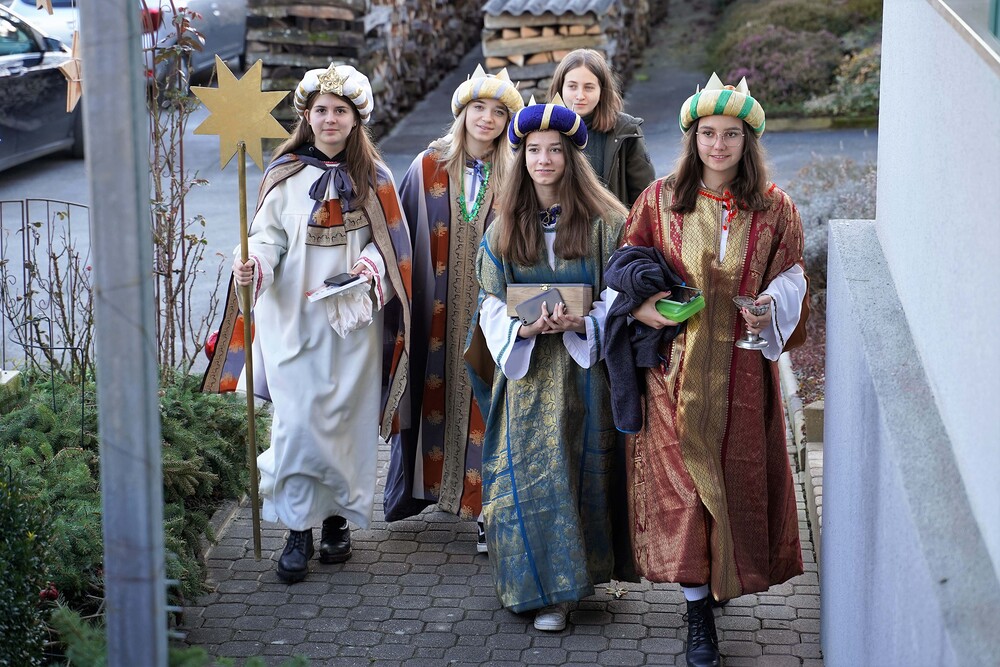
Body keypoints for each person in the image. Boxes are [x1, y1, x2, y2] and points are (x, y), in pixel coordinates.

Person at [606, 73, 808, 667]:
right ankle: (697, 614)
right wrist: (640, 306)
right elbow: (624, 261)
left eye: (730, 135)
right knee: (686, 493)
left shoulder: (775, 208)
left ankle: (723, 578)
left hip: (743, 373)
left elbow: (793, 274)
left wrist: (772, 304)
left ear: (748, 141)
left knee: (733, 482)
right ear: (692, 139)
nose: (718, 145)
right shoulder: (660, 199)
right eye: (707, 134)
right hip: (672, 372)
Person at [204, 63, 412, 584]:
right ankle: (298, 529)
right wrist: (253, 264)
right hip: (292, 320)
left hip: (350, 325)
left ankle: (337, 520)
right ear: (306, 116)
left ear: (356, 119)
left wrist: (368, 268)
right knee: (296, 425)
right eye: (321, 110)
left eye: (340, 110)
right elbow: (266, 238)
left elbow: (392, 248)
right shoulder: (284, 174)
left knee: (344, 424)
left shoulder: (375, 180)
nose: (330, 119)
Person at [466, 94, 632, 632]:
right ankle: (544, 592)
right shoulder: (503, 228)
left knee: (580, 473)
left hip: (586, 374)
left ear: (572, 156)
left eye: (555, 150)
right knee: (535, 477)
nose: (544, 159)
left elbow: (623, 293)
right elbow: (490, 302)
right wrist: (523, 329)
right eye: (534, 149)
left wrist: (587, 322)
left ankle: (575, 583)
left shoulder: (608, 221)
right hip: (530, 378)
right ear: (521, 156)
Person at [383, 66, 524, 557]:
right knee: (432, 396)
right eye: (478, 108)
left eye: (499, 112)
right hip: (434, 312)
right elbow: (397, 238)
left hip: (491, 313)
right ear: (461, 113)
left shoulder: (518, 173)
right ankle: (437, 490)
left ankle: (487, 510)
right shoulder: (426, 166)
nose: (487, 118)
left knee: (491, 404)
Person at [547, 48, 655, 209]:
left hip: (614, 223)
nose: (580, 95)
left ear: (602, 91)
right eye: (572, 86)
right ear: (560, 88)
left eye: (589, 87)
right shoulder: (543, 130)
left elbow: (644, 195)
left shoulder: (625, 131)